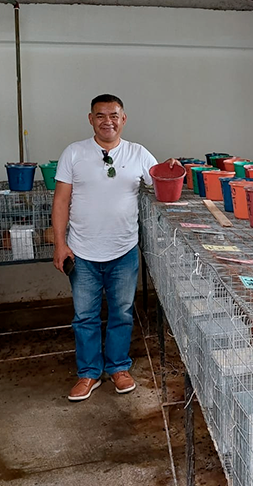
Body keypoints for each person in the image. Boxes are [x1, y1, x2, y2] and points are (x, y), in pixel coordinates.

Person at [52, 94, 175, 402]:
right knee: (85, 317)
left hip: (123, 251)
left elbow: (161, 180)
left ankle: (119, 367)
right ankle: (89, 373)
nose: (108, 120)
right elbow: (61, 201)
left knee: (121, 313)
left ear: (124, 119)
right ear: (91, 119)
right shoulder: (74, 153)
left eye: (114, 115)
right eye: (101, 115)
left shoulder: (138, 153)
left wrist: (173, 168)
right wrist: (60, 244)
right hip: (82, 252)